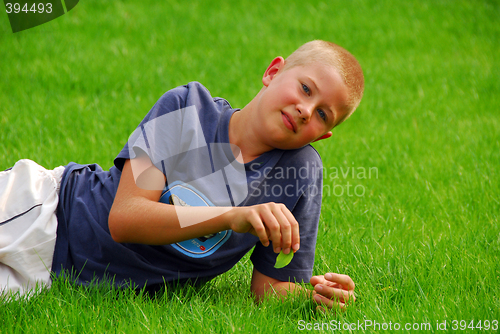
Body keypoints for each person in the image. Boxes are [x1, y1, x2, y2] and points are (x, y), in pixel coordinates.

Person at [0, 40, 364, 311]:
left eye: (322, 115)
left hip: (58, 280)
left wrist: (317, 294)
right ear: (273, 72)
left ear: (323, 135)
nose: (305, 110)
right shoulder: (187, 108)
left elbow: (269, 288)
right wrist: (232, 217)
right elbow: (125, 217)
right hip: (48, 213)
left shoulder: (300, 172)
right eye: (305, 89)